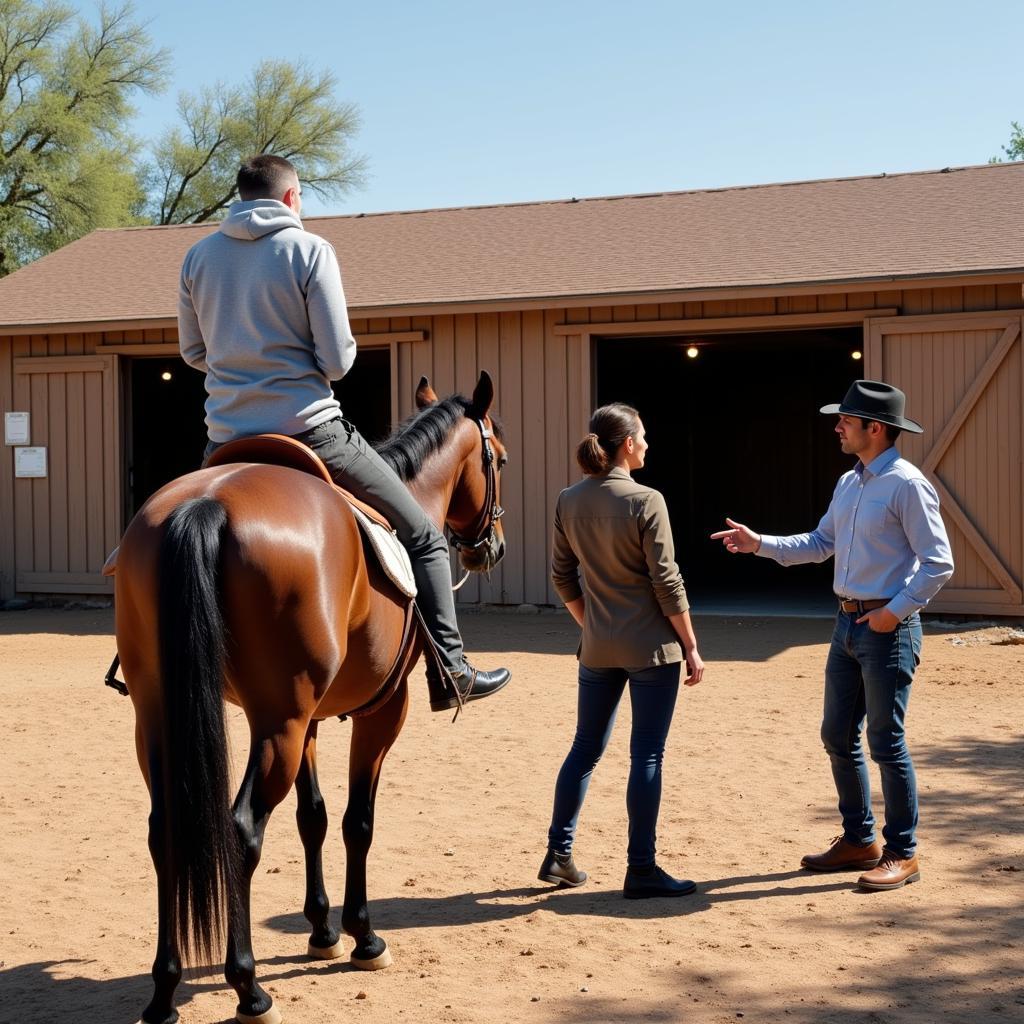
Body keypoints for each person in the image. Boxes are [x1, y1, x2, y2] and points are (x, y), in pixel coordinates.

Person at [177, 153, 510, 710]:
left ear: (240, 196)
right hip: (311, 433)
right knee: (425, 536)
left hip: (226, 442)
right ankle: (451, 670)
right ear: (290, 197)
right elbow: (336, 361)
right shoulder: (310, 250)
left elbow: (192, 351)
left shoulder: (198, 257)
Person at [711, 380, 953, 891]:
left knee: (886, 742)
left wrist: (895, 611)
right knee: (837, 736)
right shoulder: (851, 483)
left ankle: (903, 853)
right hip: (845, 626)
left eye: (846, 419)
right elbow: (821, 543)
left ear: (876, 428)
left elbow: (938, 563)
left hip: (888, 630)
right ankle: (859, 840)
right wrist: (760, 544)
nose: (837, 426)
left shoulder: (907, 485)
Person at [538, 403, 705, 899]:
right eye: (645, 437)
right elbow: (667, 582)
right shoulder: (647, 500)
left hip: (598, 648)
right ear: (627, 444)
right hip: (652, 648)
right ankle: (641, 868)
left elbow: (561, 576)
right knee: (647, 754)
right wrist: (691, 645)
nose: (649, 445)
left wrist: (592, 626)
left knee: (584, 750)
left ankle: (558, 854)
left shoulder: (568, 500)